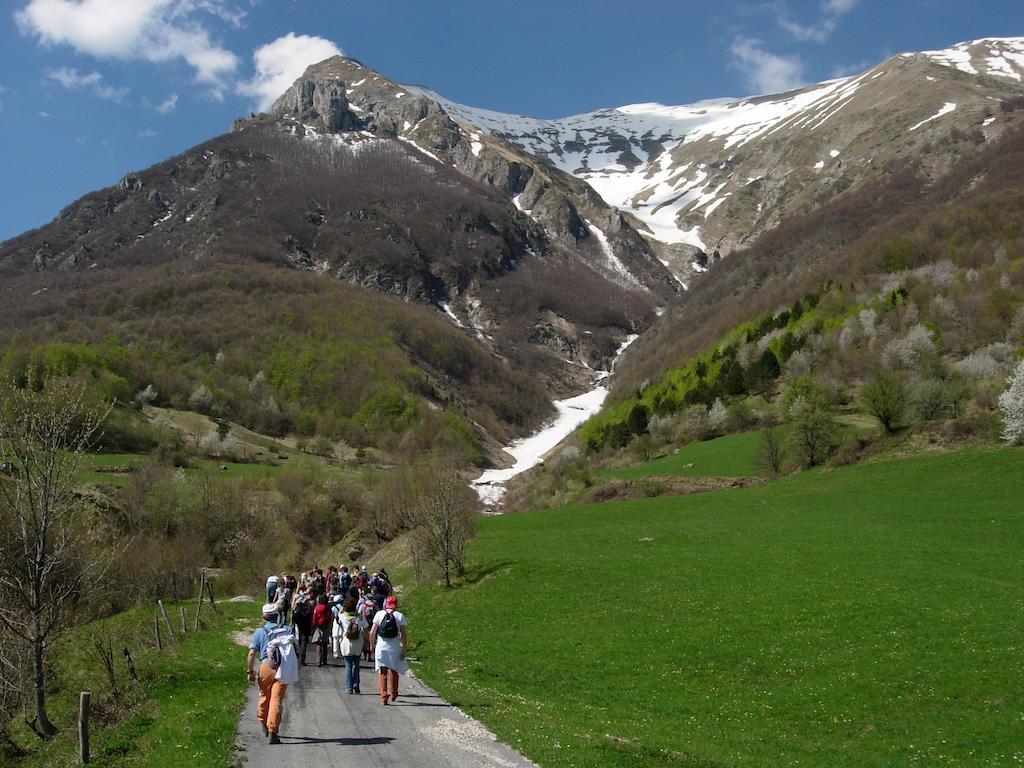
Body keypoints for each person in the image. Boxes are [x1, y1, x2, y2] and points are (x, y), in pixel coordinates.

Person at [246, 602, 298, 745]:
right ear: (277, 615)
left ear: (264, 616)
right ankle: (273, 731)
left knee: (264, 695)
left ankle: (263, 721)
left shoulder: (259, 632)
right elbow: (295, 647)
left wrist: (250, 671)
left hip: (265, 666)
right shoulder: (287, 629)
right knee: (276, 699)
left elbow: (251, 653)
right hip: (283, 667)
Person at [369, 594, 408, 705]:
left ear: (386, 604)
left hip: (381, 646)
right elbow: (404, 635)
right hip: (394, 646)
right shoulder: (399, 616)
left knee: (383, 671)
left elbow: (372, 632)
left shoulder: (379, 614)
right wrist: (404, 650)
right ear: (396, 604)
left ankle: (384, 696)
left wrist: (372, 645)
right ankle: (394, 693)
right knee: (394, 670)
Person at [337, 597, 368, 694]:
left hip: (347, 642)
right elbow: (366, 630)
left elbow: (339, 614)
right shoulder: (360, 617)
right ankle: (356, 683)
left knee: (348, 665)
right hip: (358, 642)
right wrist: (367, 642)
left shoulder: (342, 617)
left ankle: (349, 687)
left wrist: (343, 606)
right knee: (357, 664)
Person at [291, 586, 313, 665]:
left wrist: (292, 620)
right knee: (304, 640)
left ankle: (296, 657)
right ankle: (303, 659)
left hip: (298, 620)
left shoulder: (296, 596)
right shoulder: (308, 597)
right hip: (306, 620)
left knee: (298, 638)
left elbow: (293, 607)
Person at [311, 595, 332, 667]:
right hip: (326, 626)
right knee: (325, 642)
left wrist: (313, 625)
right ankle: (325, 660)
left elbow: (314, 617)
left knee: (318, 643)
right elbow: (330, 617)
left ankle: (318, 661)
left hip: (318, 626)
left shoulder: (317, 608)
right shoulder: (328, 608)